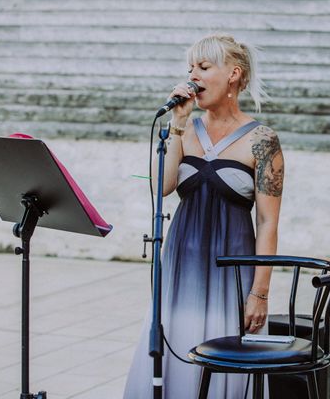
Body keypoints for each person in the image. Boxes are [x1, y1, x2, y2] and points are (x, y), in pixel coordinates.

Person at [123, 33, 284, 398]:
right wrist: (177, 125)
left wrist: (260, 292)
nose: (192, 75)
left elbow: (268, 222)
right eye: (190, 67)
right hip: (183, 263)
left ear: (233, 75)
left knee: (224, 358)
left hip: (232, 269)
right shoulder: (183, 130)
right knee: (176, 349)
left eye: (204, 66)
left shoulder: (262, 140)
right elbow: (160, 187)